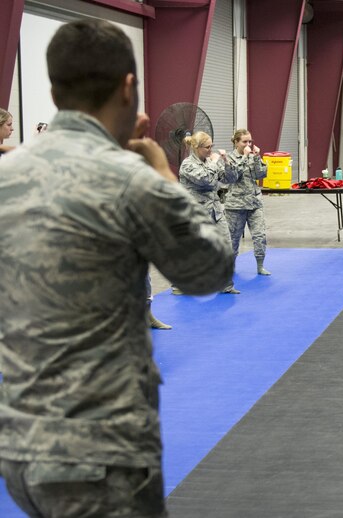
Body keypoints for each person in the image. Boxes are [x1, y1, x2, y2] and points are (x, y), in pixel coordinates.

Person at [0, 19, 234, 517]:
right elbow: (208, 270)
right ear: (129, 87)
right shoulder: (132, 181)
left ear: (54, 90)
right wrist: (164, 177)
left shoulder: (7, 172)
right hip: (98, 452)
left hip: (18, 443)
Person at [177, 131, 240, 294]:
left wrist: (226, 162)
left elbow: (230, 179)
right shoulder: (187, 165)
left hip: (216, 211)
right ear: (197, 148)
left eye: (212, 146)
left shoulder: (211, 160)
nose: (211, 150)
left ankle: (225, 284)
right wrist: (214, 163)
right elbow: (204, 180)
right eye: (207, 147)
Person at [224, 129, 270, 275]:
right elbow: (232, 177)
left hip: (254, 202)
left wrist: (257, 157)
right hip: (235, 205)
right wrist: (244, 157)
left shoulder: (252, 156)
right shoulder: (229, 158)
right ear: (236, 142)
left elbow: (261, 174)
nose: (248, 144)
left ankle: (260, 265)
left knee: (260, 236)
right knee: (233, 240)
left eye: (250, 141)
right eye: (244, 141)